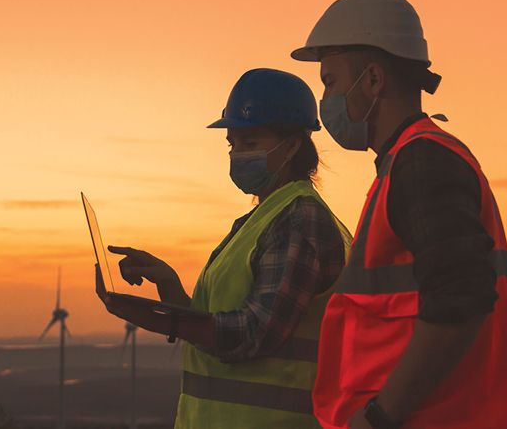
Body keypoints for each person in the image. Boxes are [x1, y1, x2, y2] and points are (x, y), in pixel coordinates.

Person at [290, 0, 507, 429]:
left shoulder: (423, 162)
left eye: (331, 82)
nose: (326, 103)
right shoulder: (404, 165)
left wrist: (380, 416)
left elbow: (462, 297)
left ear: (374, 80)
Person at [94, 68, 352, 428]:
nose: (237, 155)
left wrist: (160, 318)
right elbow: (220, 329)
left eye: (250, 143)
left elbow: (252, 334)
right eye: (233, 145)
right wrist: (171, 291)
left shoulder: (299, 220)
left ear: (292, 145)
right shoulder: (263, 219)